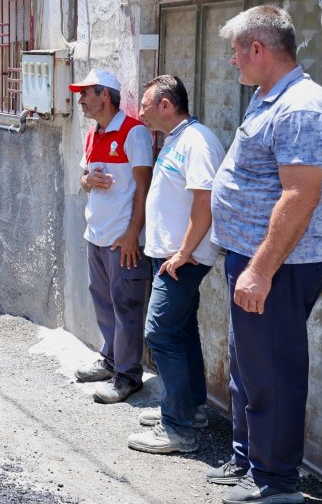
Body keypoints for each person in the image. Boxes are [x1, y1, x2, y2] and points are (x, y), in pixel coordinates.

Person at [205, 6, 322, 504]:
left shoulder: (301, 105)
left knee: (273, 372)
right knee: (249, 366)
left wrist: (260, 269)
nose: (232, 62)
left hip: (279, 264)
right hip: (254, 256)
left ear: (258, 49)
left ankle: (276, 483)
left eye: (236, 51)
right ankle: (249, 460)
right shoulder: (268, 97)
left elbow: (300, 195)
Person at [126, 75, 225, 456]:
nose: (141, 111)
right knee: (181, 332)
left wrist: (183, 253)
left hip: (182, 259)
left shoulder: (197, 142)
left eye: (147, 104)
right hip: (172, 255)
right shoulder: (176, 140)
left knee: (160, 334)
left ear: (166, 105)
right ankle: (192, 408)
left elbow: (205, 201)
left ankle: (177, 428)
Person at [71, 69, 154, 404]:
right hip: (97, 234)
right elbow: (83, 179)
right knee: (103, 301)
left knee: (127, 306)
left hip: (123, 239)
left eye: (85, 94)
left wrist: (133, 233)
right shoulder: (93, 133)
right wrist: (89, 181)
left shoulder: (134, 132)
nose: (80, 101)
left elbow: (145, 187)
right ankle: (110, 361)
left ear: (105, 95)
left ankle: (129, 376)